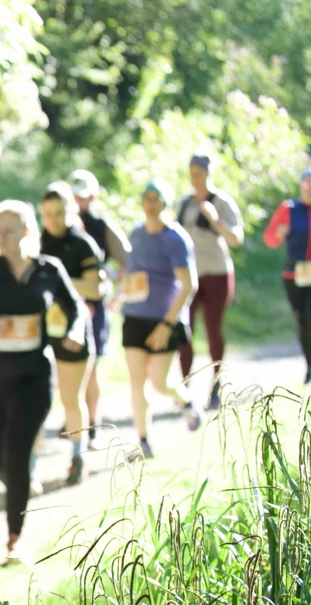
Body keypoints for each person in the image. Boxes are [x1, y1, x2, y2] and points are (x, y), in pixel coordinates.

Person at [0, 201, 88, 564]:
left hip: (35, 375)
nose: (2, 237)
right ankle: (20, 483)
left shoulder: (48, 270)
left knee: (16, 455)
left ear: (27, 232)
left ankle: (14, 539)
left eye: (9, 230)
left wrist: (74, 332)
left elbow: (75, 307)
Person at [119, 180, 202, 459]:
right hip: (134, 317)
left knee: (159, 382)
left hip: (164, 320)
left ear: (165, 203)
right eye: (147, 198)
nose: (151, 204)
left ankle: (187, 402)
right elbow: (132, 274)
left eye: (157, 199)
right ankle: (143, 442)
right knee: (136, 382)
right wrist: (120, 293)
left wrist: (167, 324)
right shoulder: (136, 234)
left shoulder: (175, 239)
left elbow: (188, 285)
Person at [39, 182, 101, 485]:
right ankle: (29, 465)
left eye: (59, 213)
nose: (53, 220)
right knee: (38, 399)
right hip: (41, 330)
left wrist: (59, 282)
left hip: (74, 330)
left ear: (70, 211)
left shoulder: (82, 244)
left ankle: (78, 457)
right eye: (48, 214)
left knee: (70, 398)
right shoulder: (36, 241)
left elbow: (96, 288)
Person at [175, 154, 244, 409]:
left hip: (217, 273)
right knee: (185, 330)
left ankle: (215, 386)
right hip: (190, 276)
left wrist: (215, 220)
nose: (196, 178)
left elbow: (236, 238)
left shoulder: (222, 202)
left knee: (213, 331)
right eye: (192, 173)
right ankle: (185, 387)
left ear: (208, 174)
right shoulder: (184, 203)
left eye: (200, 173)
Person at [69, 169, 131, 445]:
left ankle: (93, 425)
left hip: (94, 306)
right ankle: (76, 420)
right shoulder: (60, 227)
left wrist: (118, 294)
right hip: (66, 307)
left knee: (91, 368)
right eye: (75, 196)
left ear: (93, 197)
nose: (79, 201)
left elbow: (126, 260)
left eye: (83, 196)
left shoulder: (101, 226)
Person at [262, 165, 311, 383]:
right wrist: (279, 234)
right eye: (306, 183)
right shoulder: (289, 208)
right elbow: (269, 239)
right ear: (301, 185)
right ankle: (309, 367)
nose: (309, 187)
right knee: (303, 321)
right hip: (294, 275)